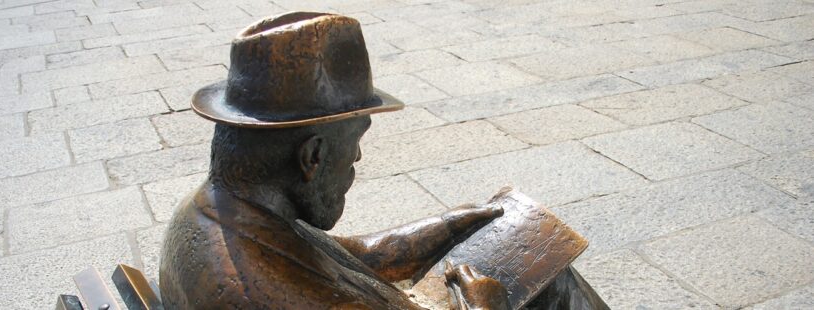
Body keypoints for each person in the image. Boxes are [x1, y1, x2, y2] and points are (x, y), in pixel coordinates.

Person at [159, 12, 606, 309]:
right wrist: (482, 303)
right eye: (355, 142)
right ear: (312, 155)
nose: (357, 157)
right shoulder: (269, 291)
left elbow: (355, 256)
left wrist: (447, 224)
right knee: (554, 287)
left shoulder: (219, 212)